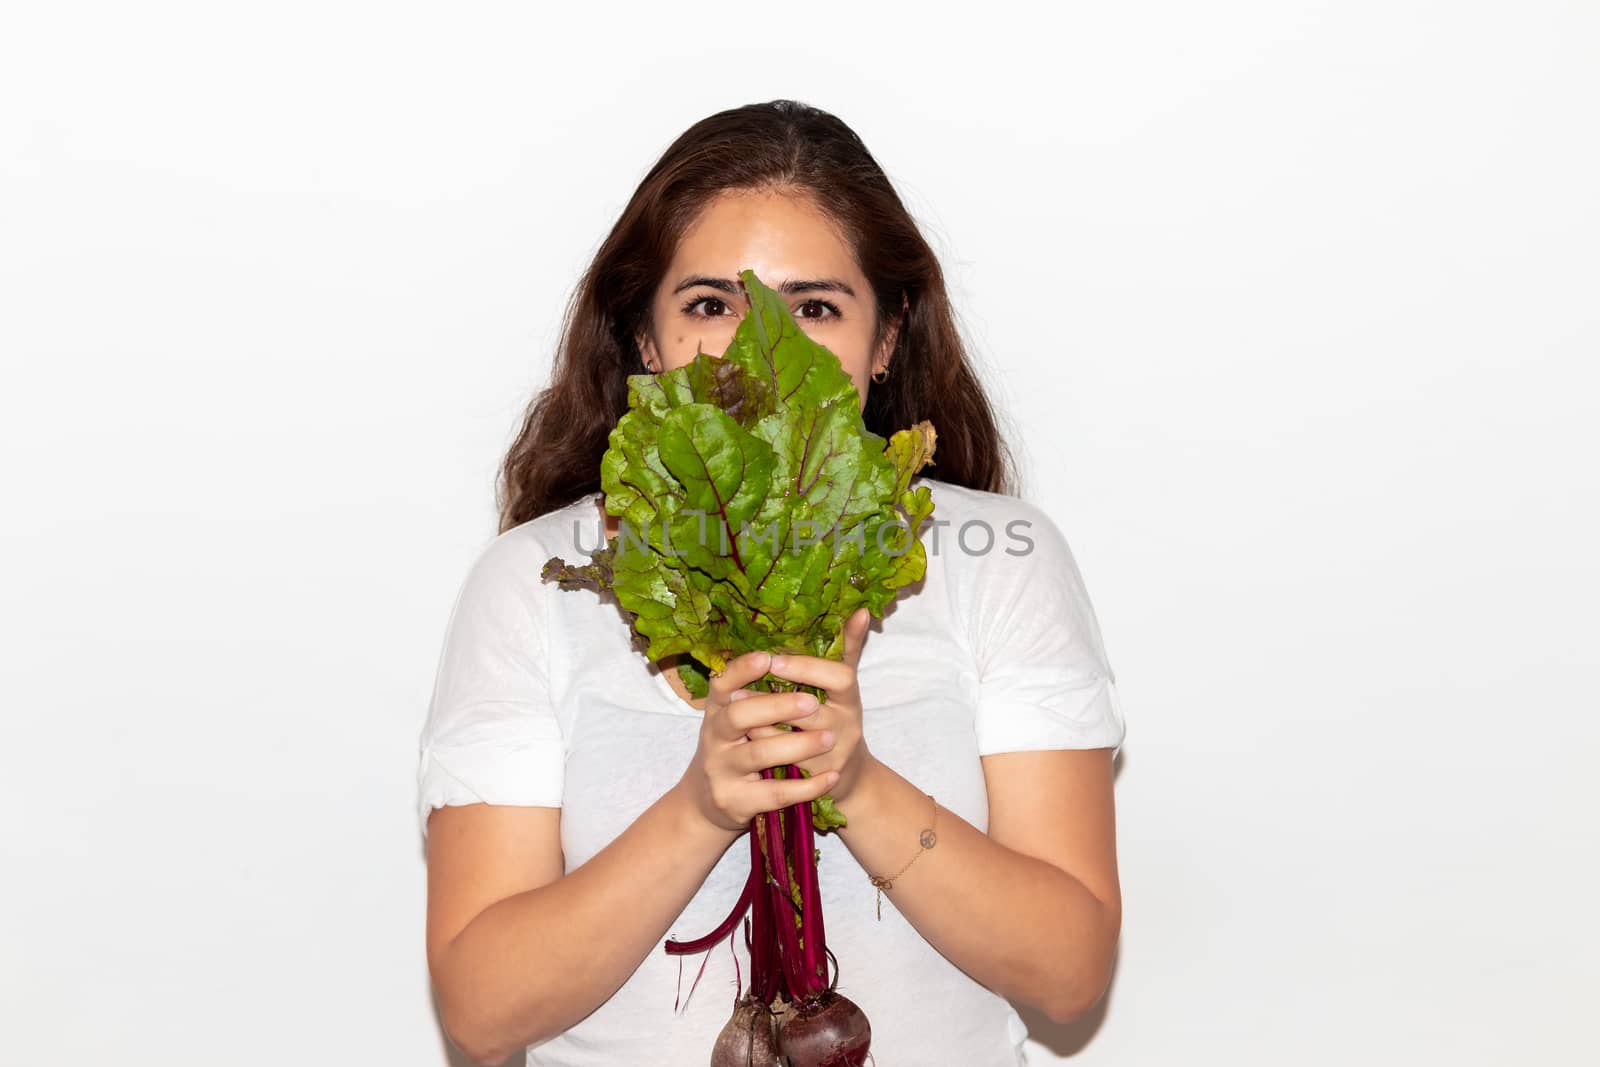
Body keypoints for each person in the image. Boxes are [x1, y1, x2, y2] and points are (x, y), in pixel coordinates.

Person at [416, 99, 1127, 1067]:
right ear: (644, 339)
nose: (761, 353)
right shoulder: (528, 588)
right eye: (711, 305)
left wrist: (854, 777)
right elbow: (481, 1010)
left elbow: (1070, 976)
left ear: (885, 340)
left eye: (814, 308)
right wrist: (704, 803)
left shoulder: (1001, 562)